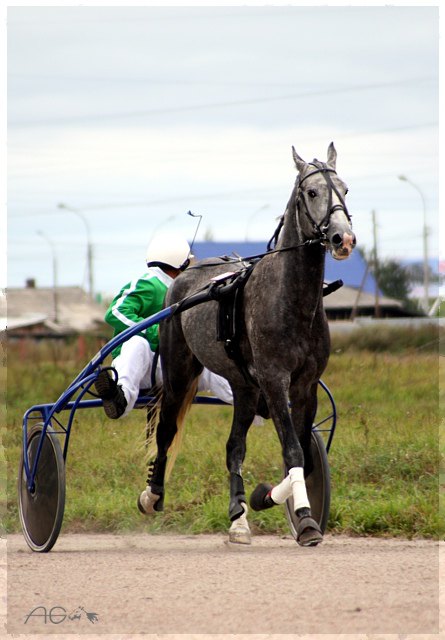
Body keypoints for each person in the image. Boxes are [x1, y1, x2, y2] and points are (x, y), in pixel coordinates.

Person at [94, 235, 234, 419]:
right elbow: (116, 312)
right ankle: (120, 399)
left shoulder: (185, 291)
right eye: (187, 263)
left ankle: (254, 399)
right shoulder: (149, 284)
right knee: (138, 344)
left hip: (170, 369)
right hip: (142, 368)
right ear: (180, 264)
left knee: (206, 361)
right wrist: (157, 334)